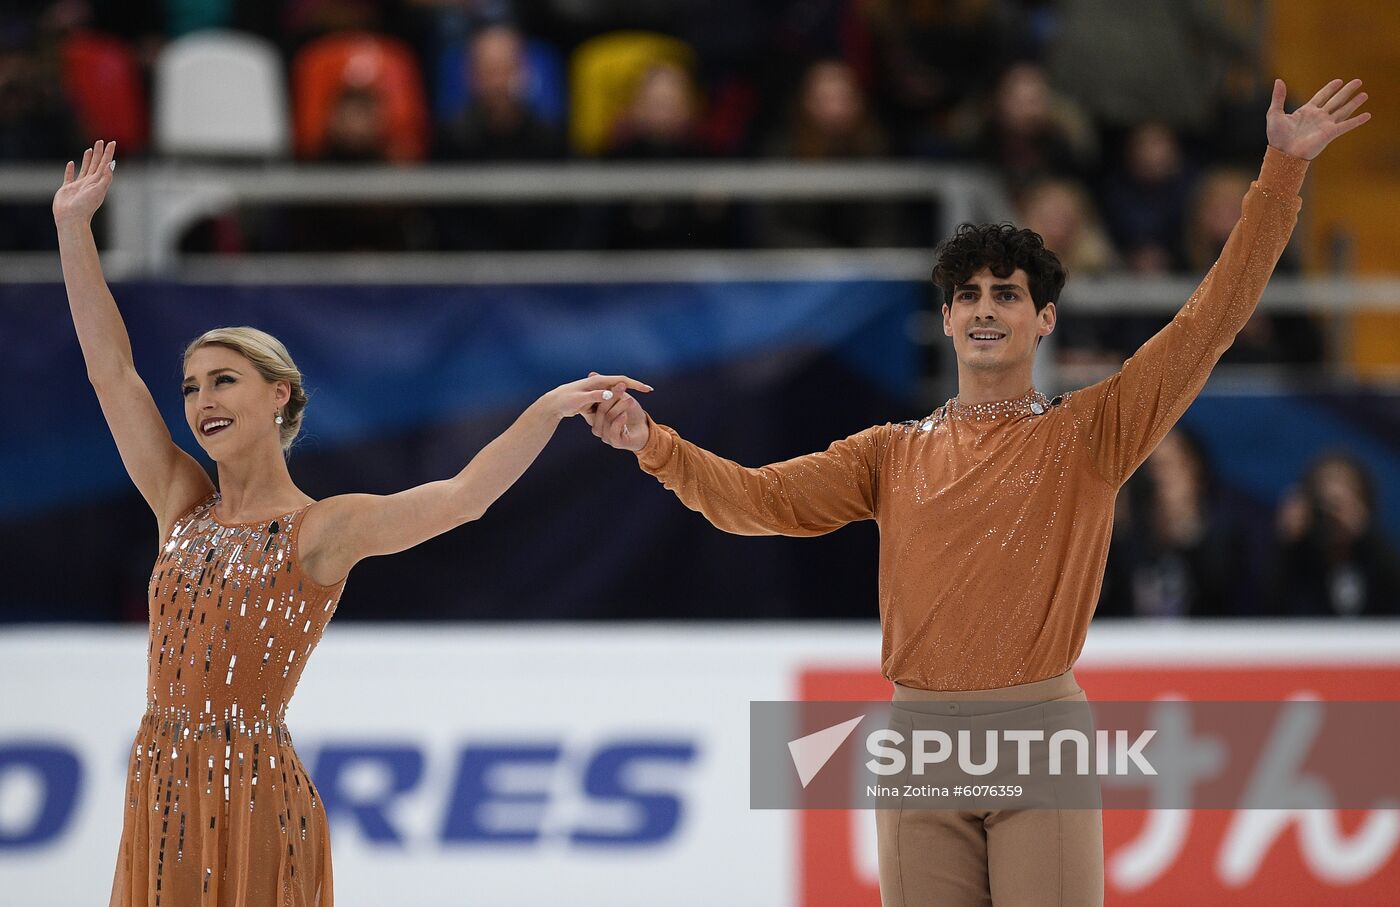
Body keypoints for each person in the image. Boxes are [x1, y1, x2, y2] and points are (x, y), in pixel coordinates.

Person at [582, 78, 1369, 906]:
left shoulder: (1091, 432)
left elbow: (1211, 321)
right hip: (918, 740)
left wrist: (1280, 173)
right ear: (948, 319)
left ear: (1045, 320)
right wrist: (653, 444)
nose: (985, 309)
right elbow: (755, 500)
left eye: (1007, 294)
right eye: (968, 296)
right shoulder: (888, 453)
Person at [53, 140, 649, 907]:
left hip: (257, 798)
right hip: (160, 789)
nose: (202, 400)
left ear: (279, 396)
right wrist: (74, 230)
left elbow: (464, 496)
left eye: (225, 381)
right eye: (194, 385)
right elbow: (111, 371)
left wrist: (546, 409)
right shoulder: (179, 502)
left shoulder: (320, 531)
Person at [1270, 451, 1400, 617]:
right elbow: (1269, 609)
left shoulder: (1376, 557)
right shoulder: (1297, 558)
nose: (1333, 515)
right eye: (1325, 505)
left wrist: (1367, 535)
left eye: (1343, 503)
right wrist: (1286, 543)